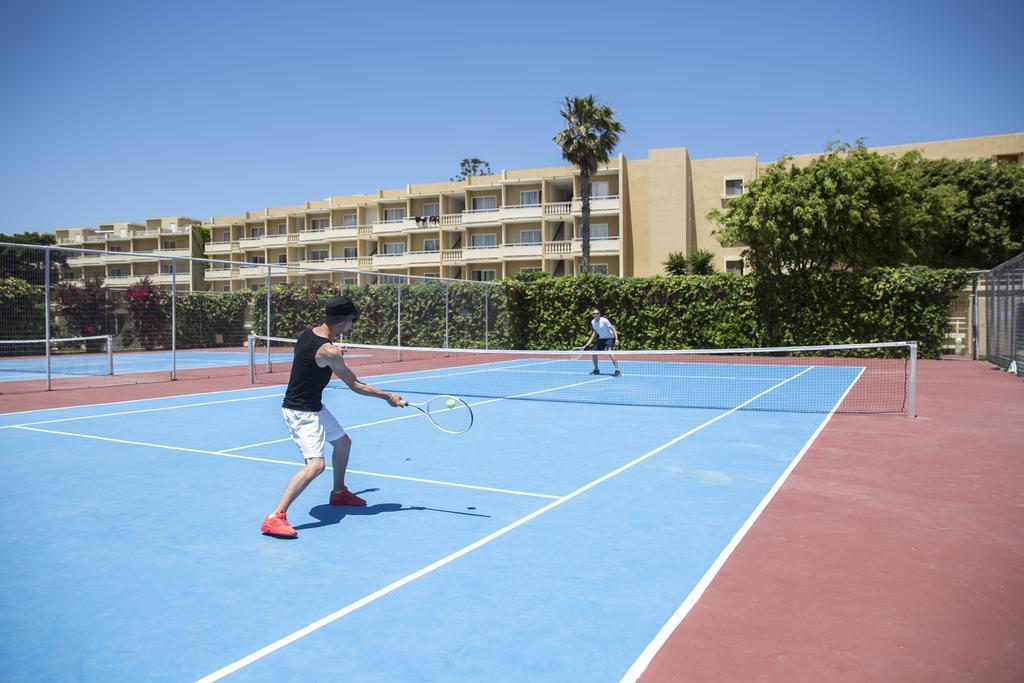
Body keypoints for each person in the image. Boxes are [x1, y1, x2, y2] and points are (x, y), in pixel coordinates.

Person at [260, 294, 404, 539]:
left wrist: (335, 351)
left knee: (343, 442)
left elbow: (318, 355)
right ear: (344, 321)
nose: (352, 325)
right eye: (352, 321)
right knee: (316, 465)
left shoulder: (310, 335)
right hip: (301, 412)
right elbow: (355, 384)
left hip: (313, 405)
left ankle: (338, 493)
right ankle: (275, 517)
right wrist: (387, 396)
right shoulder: (329, 351)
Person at [584, 307, 621, 376]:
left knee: (610, 352)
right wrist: (590, 340)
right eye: (594, 314)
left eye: (597, 313)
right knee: (594, 353)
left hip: (609, 338)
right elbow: (595, 332)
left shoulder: (604, 320)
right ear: (592, 315)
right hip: (601, 339)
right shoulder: (593, 322)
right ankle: (596, 370)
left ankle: (617, 370)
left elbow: (613, 328)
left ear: (599, 314)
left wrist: (616, 339)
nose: (595, 315)